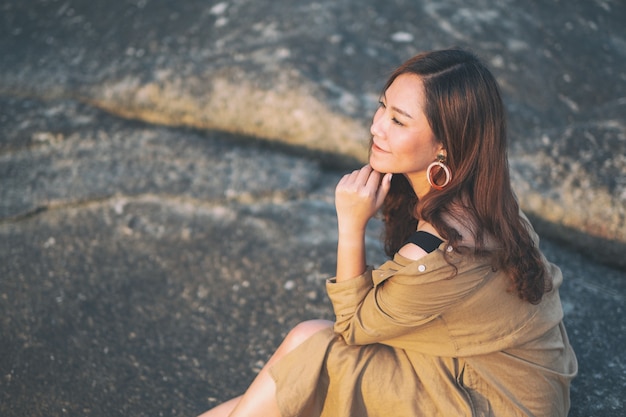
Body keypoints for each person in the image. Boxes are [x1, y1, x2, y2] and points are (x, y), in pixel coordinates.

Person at [198, 48, 578, 417]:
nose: (376, 126)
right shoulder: (486, 194)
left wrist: (350, 224)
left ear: (445, 145)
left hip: (492, 402)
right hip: (472, 370)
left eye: (398, 120)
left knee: (308, 345)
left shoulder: (444, 248)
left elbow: (352, 327)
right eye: (382, 106)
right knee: (288, 383)